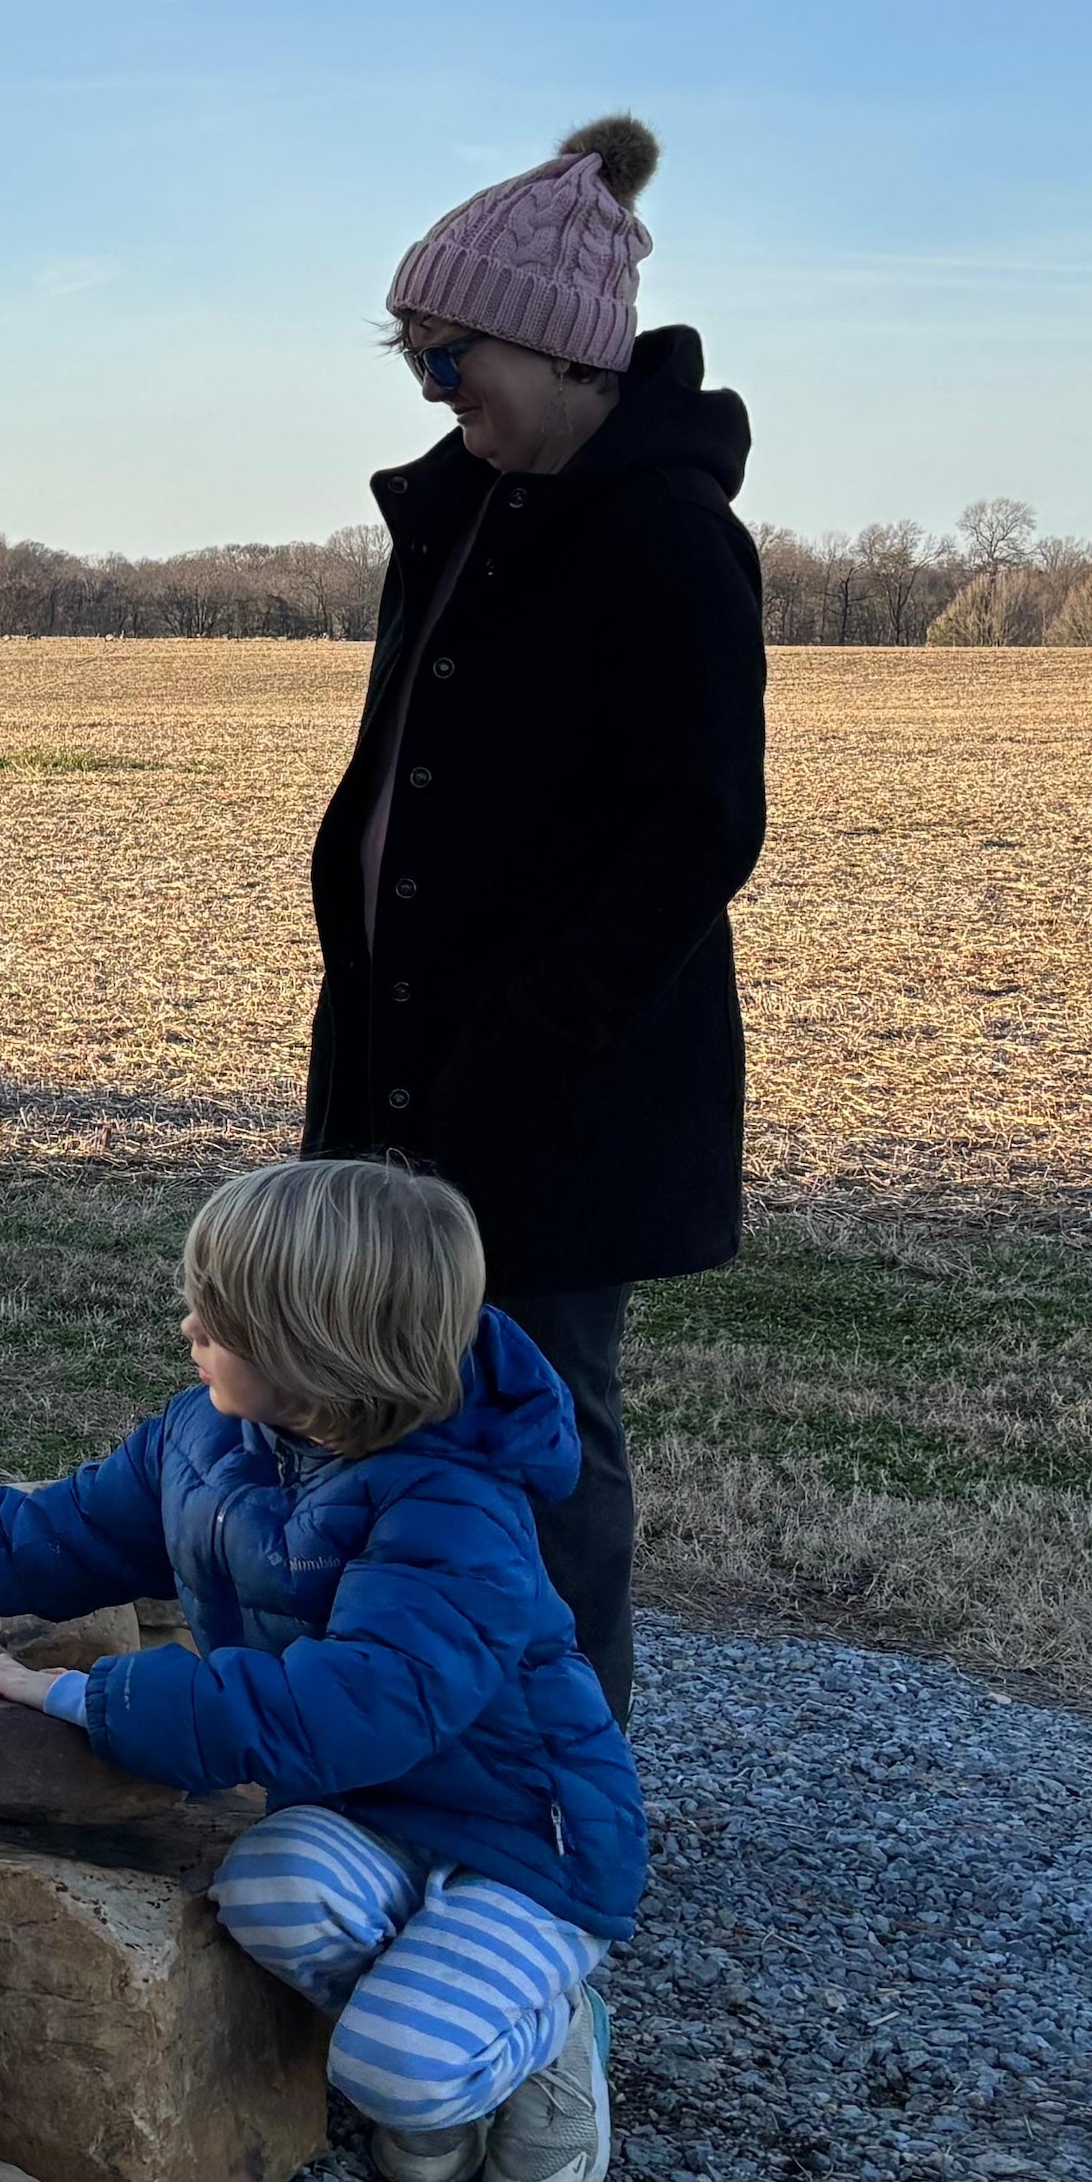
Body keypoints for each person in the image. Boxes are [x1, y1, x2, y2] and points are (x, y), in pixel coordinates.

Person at [0, 1157, 644, 2182]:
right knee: (260, 1888)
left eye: (213, 1321)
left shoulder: (454, 1509)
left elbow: (348, 1710)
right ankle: (440, 2013)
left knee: (391, 2072)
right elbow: (55, 1535)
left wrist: (88, 1698)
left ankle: (550, 2026)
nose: (185, 1329)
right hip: (368, 1813)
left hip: (522, 1839)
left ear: (313, 1355)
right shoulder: (207, 1437)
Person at [303, 115, 763, 1718]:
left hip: (556, 1083)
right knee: (379, 1406)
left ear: (568, 347)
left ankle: (568, 1783)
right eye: (418, 363)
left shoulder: (666, 536)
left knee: (542, 1417)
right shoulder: (462, 512)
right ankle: (413, 1727)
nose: (436, 394)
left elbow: (698, 828)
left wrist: (535, 1038)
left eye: (452, 358)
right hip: (403, 1058)